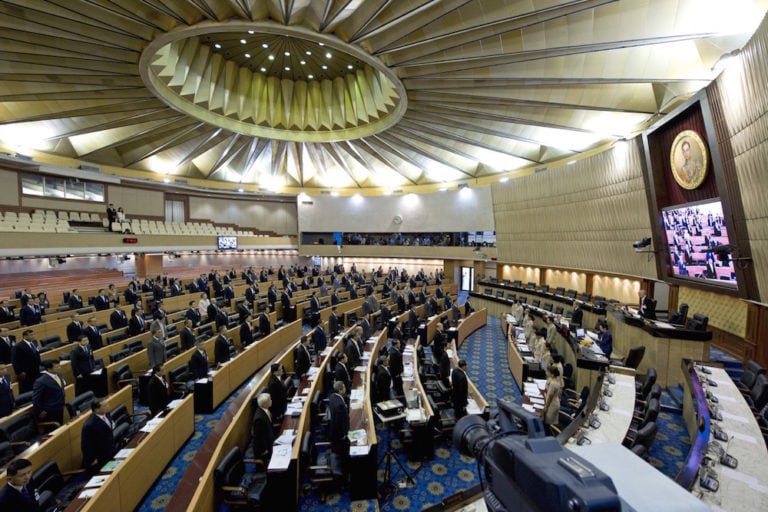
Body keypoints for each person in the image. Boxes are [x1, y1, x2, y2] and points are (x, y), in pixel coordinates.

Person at [81, 399, 115, 471]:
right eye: (105, 406)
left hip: (110, 450)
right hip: (100, 456)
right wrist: (91, 460)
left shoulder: (107, 413)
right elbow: (86, 445)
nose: (108, 406)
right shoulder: (89, 425)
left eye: (107, 404)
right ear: (96, 409)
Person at [33, 360, 66, 426]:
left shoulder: (59, 374)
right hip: (50, 410)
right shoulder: (41, 381)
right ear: (49, 369)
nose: (59, 368)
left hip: (60, 407)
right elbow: (36, 398)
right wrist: (40, 411)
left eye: (59, 366)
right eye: (57, 367)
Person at [327, 381, 350, 469]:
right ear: (340, 390)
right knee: (343, 452)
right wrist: (343, 434)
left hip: (334, 430)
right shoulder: (340, 405)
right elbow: (340, 421)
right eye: (344, 387)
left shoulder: (333, 396)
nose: (345, 389)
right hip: (338, 435)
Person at [251, 393, 274, 463]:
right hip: (264, 450)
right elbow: (258, 437)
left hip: (269, 441)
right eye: (270, 400)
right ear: (265, 404)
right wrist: (264, 450)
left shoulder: (264, 410)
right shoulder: (259, 419)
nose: (271, 401)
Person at [542, 365, 562, 433]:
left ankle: (551, 435)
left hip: (552, 405)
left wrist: (546, 407)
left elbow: (550, 396)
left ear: (552, 374)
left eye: (548, 372)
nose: (546, 372)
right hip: (554, 402)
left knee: (548, 424)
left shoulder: (553, 383)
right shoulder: (553, 380)